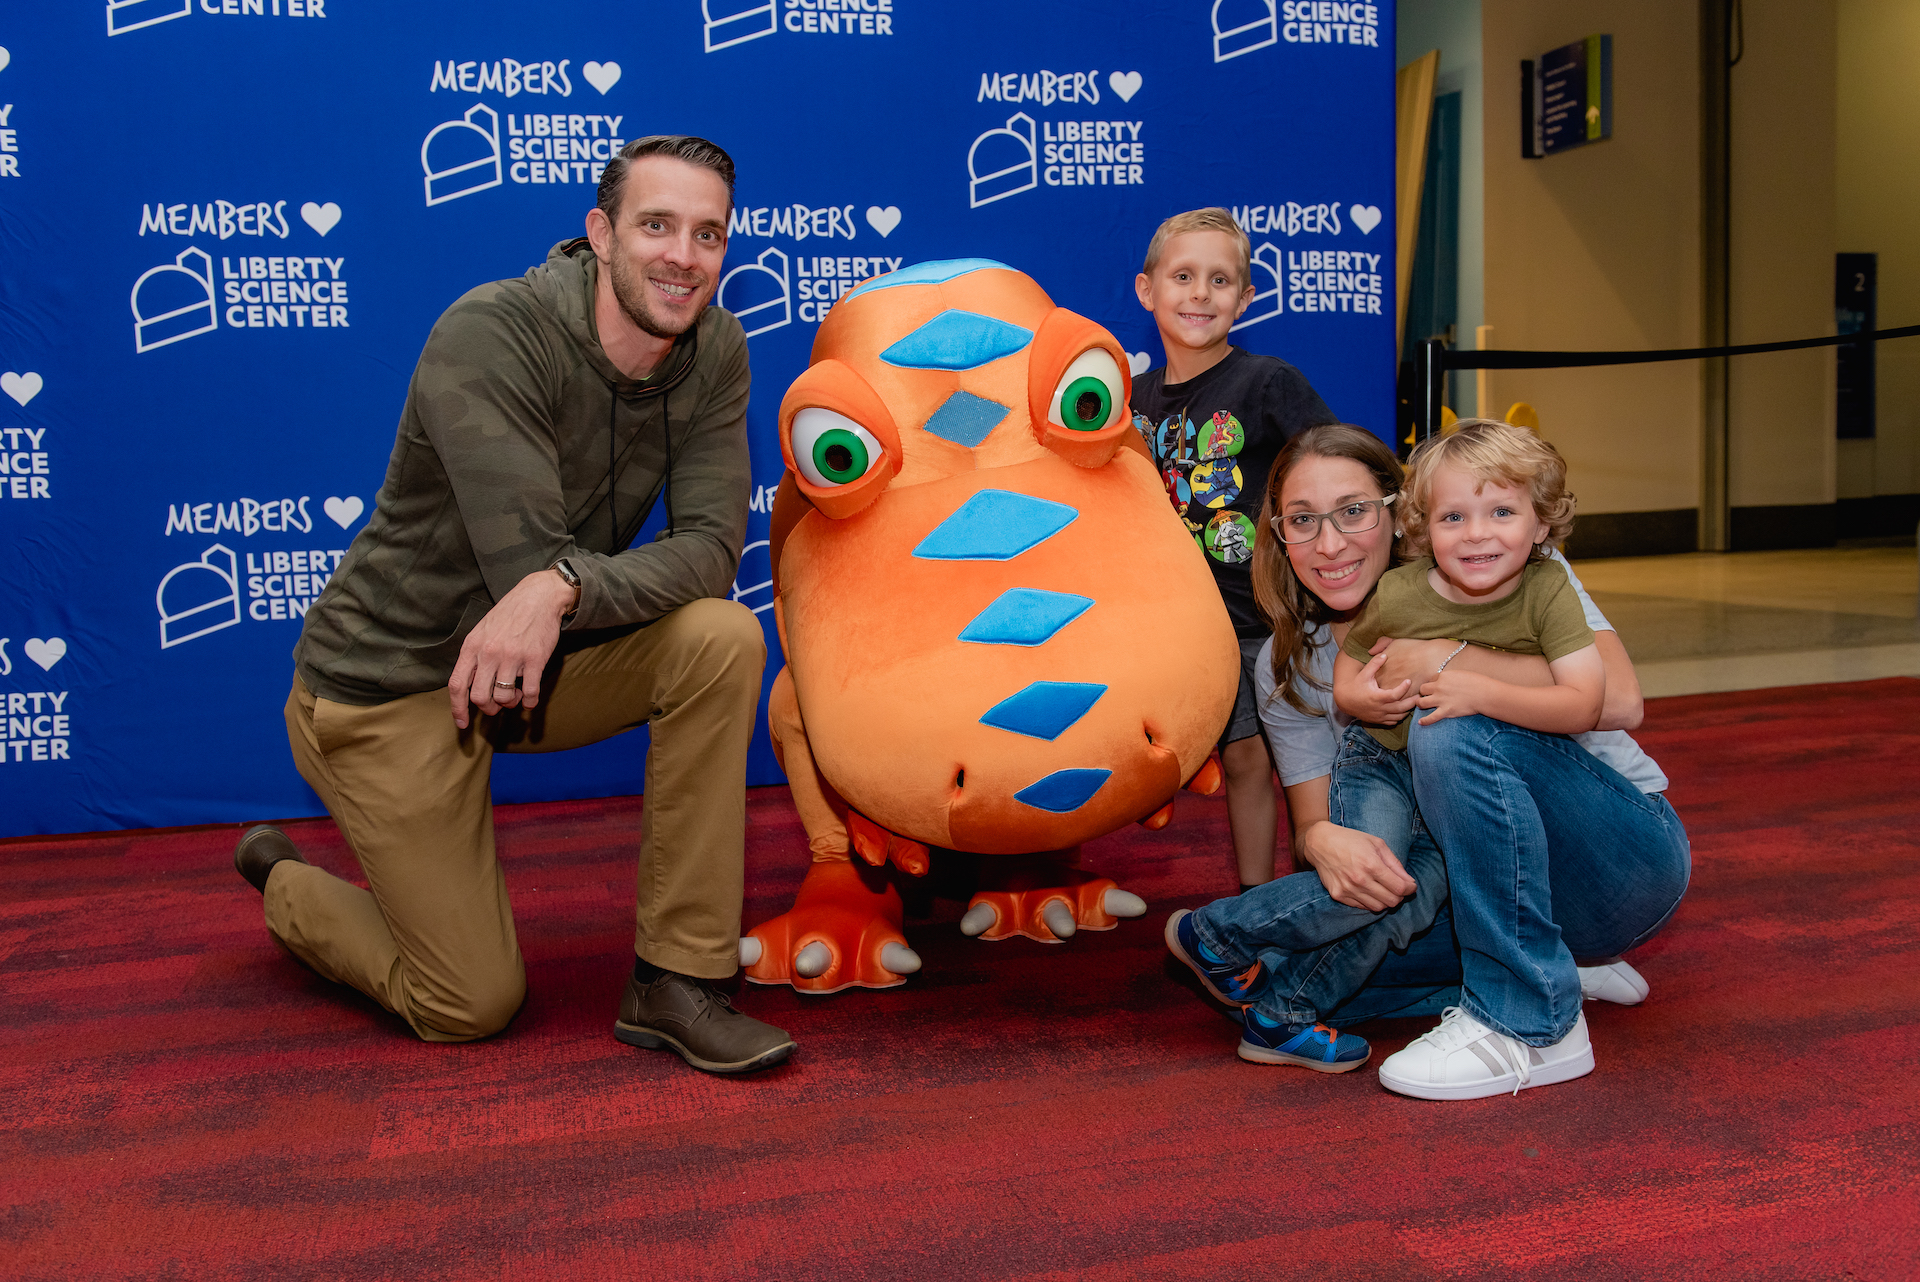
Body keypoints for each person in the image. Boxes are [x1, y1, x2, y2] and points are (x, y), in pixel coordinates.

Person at [229, 136, 795, 1076]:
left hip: (537, 662)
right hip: (389, 692)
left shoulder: (717, 352)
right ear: (600, 233)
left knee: (720, 637)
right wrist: (554, 578)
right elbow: (526, 564)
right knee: (469, 1003)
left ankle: (675, 980)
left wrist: (567, 584)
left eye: (708, 234)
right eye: (657, 225)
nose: (683, 257)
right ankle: (286, 883)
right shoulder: (491, 331)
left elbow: (710, 550)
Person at [1165, 423, 1689, 1097]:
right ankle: (1544, 963)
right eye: (1303, 521)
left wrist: (1447, 665)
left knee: (1447, 729)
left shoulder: (1508, 563)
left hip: (1614, 858)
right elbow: (1319, 823)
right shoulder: (1287, 663)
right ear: (1280, 535)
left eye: (1353, 511)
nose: (1330, 544)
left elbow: (1618, 700)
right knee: (1305, 956)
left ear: (1397, 512)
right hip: (1459, 881)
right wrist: (1324, 839)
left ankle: (1528, 1019)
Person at [1130, 208, 1338, 895]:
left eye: (1220, 280)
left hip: (1273, 619)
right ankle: (1256, 904)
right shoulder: (1132, 402)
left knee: (1311, 767)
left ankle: (1319, 898)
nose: (1200, 294)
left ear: (1245, 299)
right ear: (1146, 289)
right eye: (1183, 276)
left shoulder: (1267, 383)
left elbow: (1337, 468)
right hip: (1195, 627)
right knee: (1243, 760)